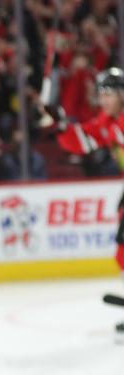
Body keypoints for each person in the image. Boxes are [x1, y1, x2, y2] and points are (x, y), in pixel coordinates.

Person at [47, 67, 124, 340]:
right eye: (101, 94)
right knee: (123, 253)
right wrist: (60, 125)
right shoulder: (109, 122)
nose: (103, 100)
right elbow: (83, 139)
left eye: (108, 94)